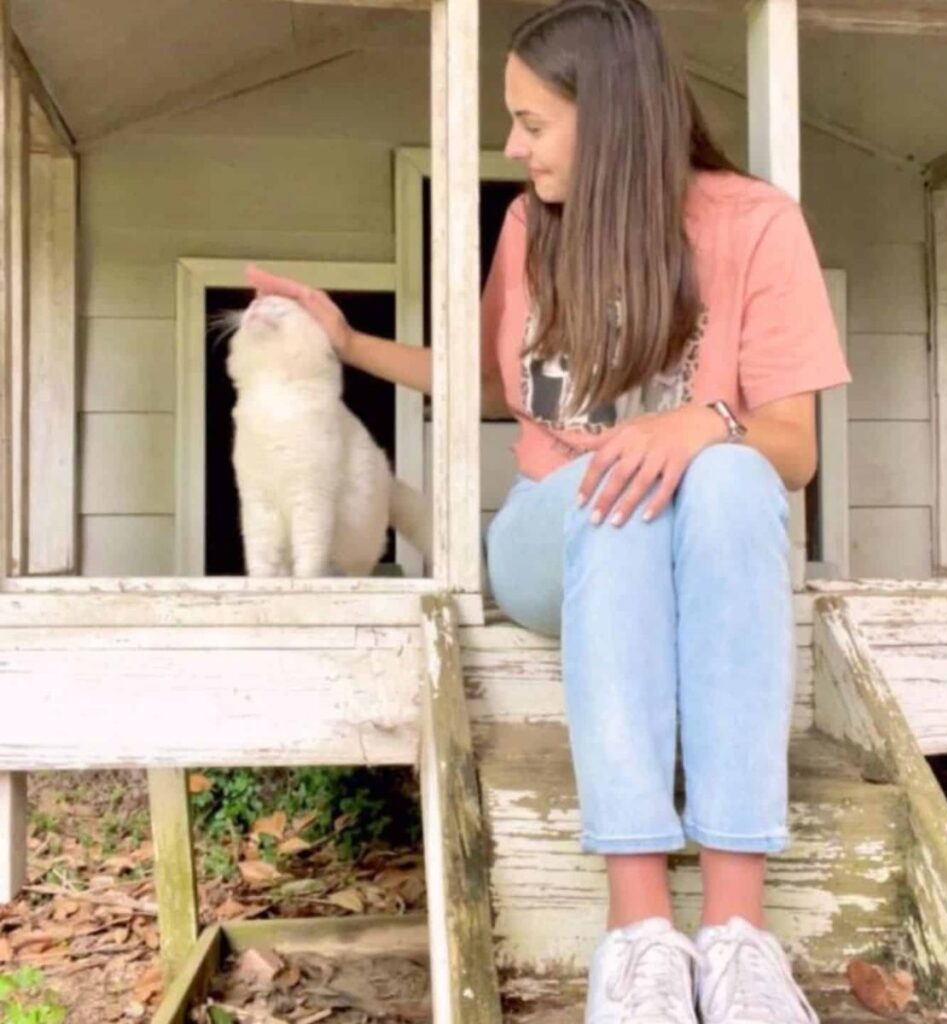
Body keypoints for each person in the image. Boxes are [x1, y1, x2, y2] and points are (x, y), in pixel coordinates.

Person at [247, 0, 851, 1018]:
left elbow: (791, 447)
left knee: (731, 471)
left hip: (694, 538)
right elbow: (492, 384)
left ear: (610, 116)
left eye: (532, 121)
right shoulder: (533, 226)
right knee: (617, 482)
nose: (512, 145)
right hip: (551, 534)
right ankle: (639, 934)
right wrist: (347, 346)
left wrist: (696, 423)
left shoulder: (754, 224)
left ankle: (738, 940)